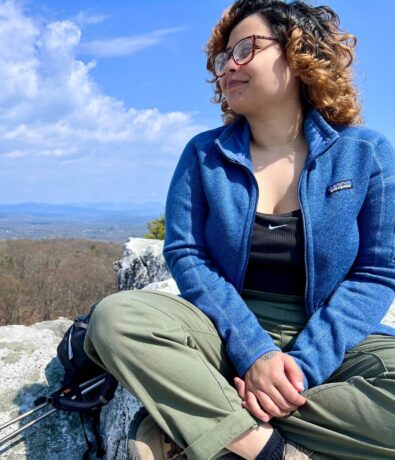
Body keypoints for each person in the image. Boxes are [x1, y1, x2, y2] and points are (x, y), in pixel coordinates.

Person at [84, 0, 395, 459]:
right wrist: (255, 354)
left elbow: (375, 272)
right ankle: (264, 448)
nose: (228, 66)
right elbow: (187, 254)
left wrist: (300, 367)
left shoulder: (364, 152)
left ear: (299, 52)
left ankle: (205, 421)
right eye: (223, 56)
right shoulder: (203, 153)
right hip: (224, 329)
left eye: (246, 48)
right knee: (116, 319)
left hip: (330, 335)